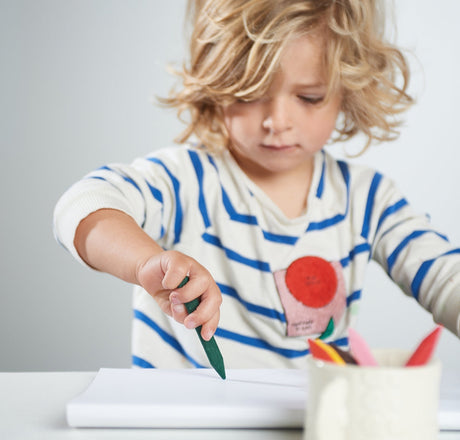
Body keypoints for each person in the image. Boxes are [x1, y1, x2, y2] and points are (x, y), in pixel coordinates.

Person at [53, 0, 460, 370]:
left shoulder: (367, 200)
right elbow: (83, 205)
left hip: (308, 437)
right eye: (249, 94)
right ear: (217, 87)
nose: (276, 120)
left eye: (310, 97)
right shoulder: (186, 180)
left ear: (347, 91)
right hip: (183, 434)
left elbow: (446, 279)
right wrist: (144, 264)